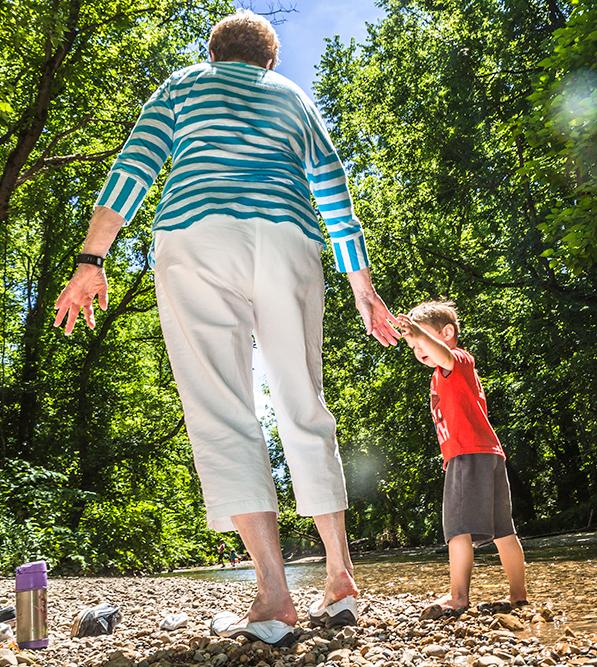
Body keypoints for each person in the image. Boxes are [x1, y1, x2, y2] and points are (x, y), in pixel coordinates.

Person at [54, 9, 399, 646]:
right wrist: (363, 290)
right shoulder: (291, 95)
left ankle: (273, 590)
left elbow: (132, 167)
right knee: (303, 402)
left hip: (197, 237)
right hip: (287, 239)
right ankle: (342, 574)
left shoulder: (183, 86)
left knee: (221, 407)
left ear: (214, 55)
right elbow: (332, 188)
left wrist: (91, 260)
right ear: (268, 60)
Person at [398, 300, 528, 615]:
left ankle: (459, 596)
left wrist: (420, 334)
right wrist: (417, 335)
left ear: (448, 332)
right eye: (414, 345)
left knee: (458, 530)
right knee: (503, 531)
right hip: (486, 454)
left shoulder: (457, 360)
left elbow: (443, 354)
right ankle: (518, 595)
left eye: (423, 338)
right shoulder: (441, 374)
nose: (419, 349)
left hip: (468, 455)